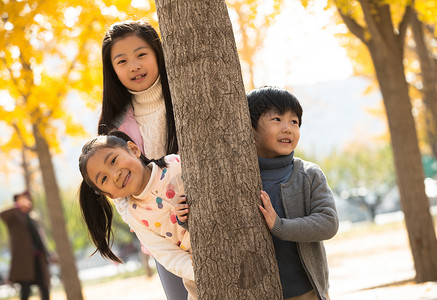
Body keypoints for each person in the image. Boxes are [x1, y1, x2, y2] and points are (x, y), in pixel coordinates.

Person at [176, 86, 339, 300]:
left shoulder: (308, 174)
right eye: (277, 120)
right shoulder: (236, 178)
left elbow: (328, 222)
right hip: (256, 292)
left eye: (294, 122)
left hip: (305, 291)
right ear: (250, 129)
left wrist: (280, 226)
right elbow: (221, 225)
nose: (288, 128)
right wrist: (187, 218)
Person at [97, 19, 186, 299]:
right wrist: (162, 222)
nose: (134, 65)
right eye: (121, 61)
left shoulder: (187, 96)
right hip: (164, 235)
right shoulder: (114, 127)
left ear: (158, 53)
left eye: (141, 54)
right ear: (112, 70)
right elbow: (121, 196)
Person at [78, 132, 197, 300]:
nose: (115, 175)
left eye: (113, 161)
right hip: (196, 273)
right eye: (104, 179)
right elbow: (166, 254)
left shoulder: (174, 164)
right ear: (110, 195)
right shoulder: (136, 216)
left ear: (133, 149)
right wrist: (198, 270)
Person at [0, 191, 52, 300]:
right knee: (26, 288)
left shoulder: (33, 218)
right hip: (24, 261)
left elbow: (40, 239)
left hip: (39, 258)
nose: (25, 201)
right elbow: (2, 214)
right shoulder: (14, 217)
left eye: (26, 199)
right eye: (21, 199)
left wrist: (49, 254)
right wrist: (18, 207)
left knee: (44, 286)